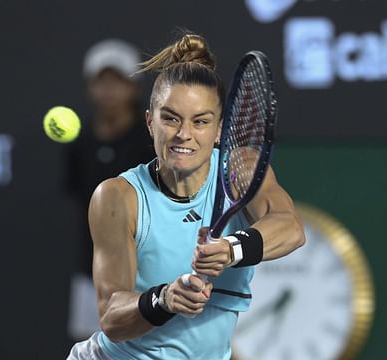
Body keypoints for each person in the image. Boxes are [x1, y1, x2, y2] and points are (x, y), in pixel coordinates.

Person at [67, 32, 305, 359]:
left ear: (220, 128)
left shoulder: (239, 170)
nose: (184, 134)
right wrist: (164, 299)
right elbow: (111, 317)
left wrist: (231, 248)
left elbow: (290, 227)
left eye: (200, 121)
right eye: (170, 118)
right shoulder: (117, 197)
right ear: (150, 123)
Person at [66, 38, 154, 339]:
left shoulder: (152, 141)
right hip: (90, 271)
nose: (108, 92)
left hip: (146, 272)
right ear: (90, 88)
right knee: (90, 349)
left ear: (135, 89)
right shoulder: (80, 143)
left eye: (117, 82)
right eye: (101, 82)